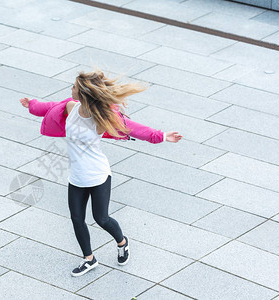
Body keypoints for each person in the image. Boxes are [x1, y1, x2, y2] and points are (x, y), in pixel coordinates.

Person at [20, 69, 182, 277]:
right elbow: (50, 108)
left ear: (84, 93)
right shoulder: (71, 107)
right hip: (77, 176)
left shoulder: (101, 118)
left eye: (75, 87)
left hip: (98, 175)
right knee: (77, 219)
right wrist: (32, 105)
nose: (71, 89)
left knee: (101, 218)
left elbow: (133, 128)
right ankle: (89, 259)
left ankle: (122, 242)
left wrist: (162, 136)